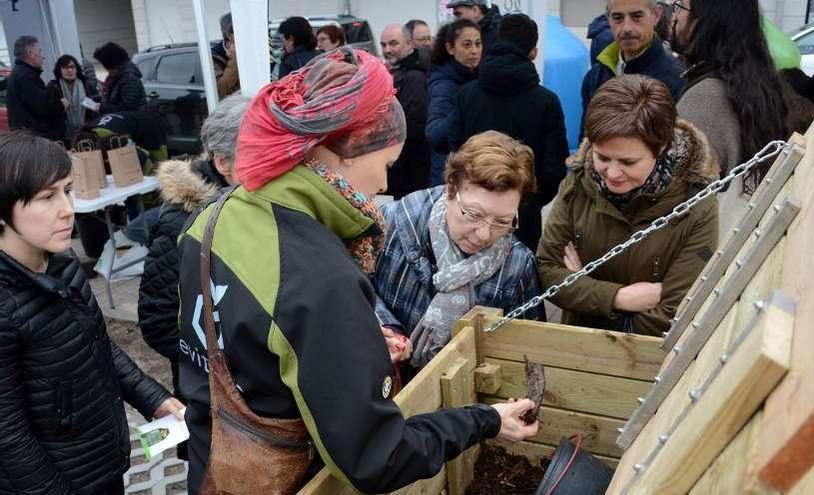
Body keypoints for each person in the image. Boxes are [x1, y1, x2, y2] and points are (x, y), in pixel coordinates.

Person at [177, 47, 539, 493]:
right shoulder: (323, 277)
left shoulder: (212, 218)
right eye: (386, 164)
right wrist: (482, 419)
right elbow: (377, 457)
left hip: (211, 462)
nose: (385, 184)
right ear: (348, 148)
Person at [0, 131, 183, 494]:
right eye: (46, 197)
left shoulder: (64, 265)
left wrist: (154, 399)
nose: (67, 208)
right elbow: (8, 433)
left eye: (66, 190)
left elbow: (98, 345)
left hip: (99, 460)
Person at [537, 75, 719, 336]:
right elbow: (547, 271)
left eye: (628, 162)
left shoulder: (697, 206)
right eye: (602, 157)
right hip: (576, 350)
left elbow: (674, 314)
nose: (611, 173)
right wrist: (621, 298)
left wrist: (582, 288)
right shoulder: (578, 181)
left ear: (662, 147)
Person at [374, 130, 546, 368]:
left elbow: (525, 354)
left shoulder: (518, 266)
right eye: (474, 214)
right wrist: (385, 327)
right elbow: (351, 284)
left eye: (504, 222)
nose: (485, 234)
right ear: (450, 189)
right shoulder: (393, 222)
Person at [137, 94, 248, 461]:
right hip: (209, 395)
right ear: (223, 163)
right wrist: (216, 361)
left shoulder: (245, 206)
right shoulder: (181, 224)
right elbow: (157, 319)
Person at [449, 13, 568, 253]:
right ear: (533, 51)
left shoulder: (466, 95)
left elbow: (454, 153)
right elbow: (554, 167)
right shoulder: (546, 101)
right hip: (522, 219)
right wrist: (526, 203)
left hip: (471, 214)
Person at [671, 0, 789, 234]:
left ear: (704, 24)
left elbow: (676, 205)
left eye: (680, 7)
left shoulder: (703, 100)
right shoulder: (758, 83)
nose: (673, 16)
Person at [580, 0, 684, 142]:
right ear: (608, 19)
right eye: (618, 18)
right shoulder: (596, 76)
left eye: (636, 16)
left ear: (656, 15)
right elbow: (586, 142)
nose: (626, 28)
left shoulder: (678, 78)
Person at [427, 19, 482, 186]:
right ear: (451, 48)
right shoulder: (444, 84)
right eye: (467, 44)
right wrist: (465, 108)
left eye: (478, 44)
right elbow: (434, 134)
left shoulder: (478, 76)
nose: (474, 51)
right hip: (449, 177)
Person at [382, 24, 430, 198]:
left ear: (409, 44)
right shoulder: (399, 73)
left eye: (393, 43)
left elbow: (412, 125)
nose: (387, 49)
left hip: (410, 171)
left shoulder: (414, 77)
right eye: (383, 44)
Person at [5, 36, 66, 140]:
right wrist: (61, 105)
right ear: (30, 54)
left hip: (27, 137)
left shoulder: (18, 74)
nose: (42, 56)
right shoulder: (26, 77)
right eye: (39, 51)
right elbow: (42, 108)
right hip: (35, 140)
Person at [48, 55, 101, 140]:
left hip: (87, 131)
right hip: (63, 134)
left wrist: (96, 107)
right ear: (59, 70)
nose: (70, 70)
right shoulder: (53, 86)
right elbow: (48, 110)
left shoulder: (86, 84)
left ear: (77, 69)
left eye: (72, 67)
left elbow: (97, 102)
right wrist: (59, 106)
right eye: (65, 67)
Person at [93, 42, 147, 114]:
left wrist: (101, 108)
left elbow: (127, 108)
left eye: (105, 65)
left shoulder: (129, 78)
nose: (106, 69)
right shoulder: (117, 75)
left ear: (114, 64)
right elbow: (112, 97)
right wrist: (95, 99)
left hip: (131, 122)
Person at [214, 12, 240, 98]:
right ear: (229, 35)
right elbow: (221, 90)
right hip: (232, 107)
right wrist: (234, 60)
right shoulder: (214, 57)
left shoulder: (248, 50)